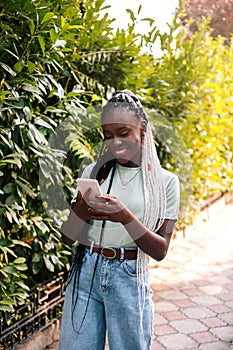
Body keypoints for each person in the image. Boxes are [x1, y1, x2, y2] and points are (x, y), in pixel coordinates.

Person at [59, 90, 180, 350]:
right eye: (108, 136)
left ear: (142, 129)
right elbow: (67, 237)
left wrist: (124, 216)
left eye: (123, 133)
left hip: (128, 276)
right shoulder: (95, 173)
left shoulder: (165, 183)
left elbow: (160, 250)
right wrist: (80, 211)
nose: (115, 142)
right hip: (84, 273)